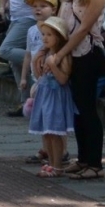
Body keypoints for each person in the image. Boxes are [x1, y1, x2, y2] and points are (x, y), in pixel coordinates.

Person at [52, 0, 105, 179]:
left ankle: (95, 164)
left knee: (87, 108)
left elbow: (84, 29)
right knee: (76, 110)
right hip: (70, 52)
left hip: (87, 54)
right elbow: (62, 21)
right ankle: (82, 157)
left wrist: (61, 53)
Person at [0, 0, 58, 115]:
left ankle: (36, 58)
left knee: (5, 50)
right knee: (13, 60)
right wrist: (2, 8)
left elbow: (51, 8)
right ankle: (27, 101)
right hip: (15, 18)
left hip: (30, 19)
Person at [27, 15, 76, 179]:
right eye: (43, 34)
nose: (45, 38)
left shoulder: (61, 57)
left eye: (49, 35)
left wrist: (53, 64)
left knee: (55, 131)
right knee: (46, 132)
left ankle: (57, 165)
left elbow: (63, 79)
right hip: (45, 93)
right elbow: (40, 74)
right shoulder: (45, 53)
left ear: (59, 37)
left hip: (56, 96)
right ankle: (51, 161)